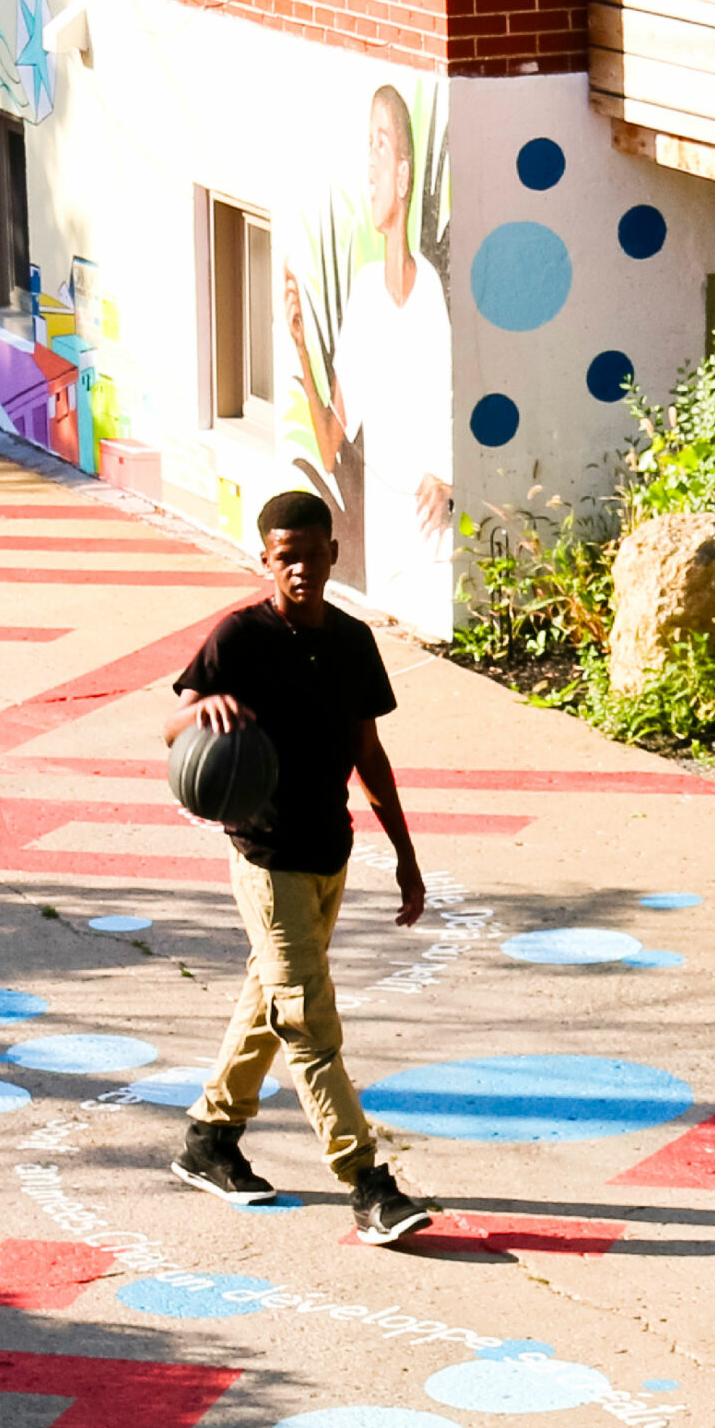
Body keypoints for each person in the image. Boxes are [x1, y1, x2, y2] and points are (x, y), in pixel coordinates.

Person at [163, 488, 436, 1244]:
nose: (302, 569)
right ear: (266, 560)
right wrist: (201, 714)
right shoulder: (240, 638)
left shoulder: (351, 641)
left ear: (332, 554)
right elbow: (170, 722)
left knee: (270, 996)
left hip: (329, 852)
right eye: (286, 557)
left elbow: (368, 754)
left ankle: (208, 1139)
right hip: (266, 853)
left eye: (313, 554)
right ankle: (367, 1182)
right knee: (310, 1021)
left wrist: (408, 856)